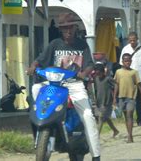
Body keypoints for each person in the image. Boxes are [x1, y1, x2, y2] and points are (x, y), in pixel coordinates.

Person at [26, 12, 100, 161]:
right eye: (64, 28)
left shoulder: (82, 45)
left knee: (88, 117)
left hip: (74, 86)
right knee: (35, 89)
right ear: (60, 29)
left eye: (70, 27)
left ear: (75, 27)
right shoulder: (55, 44)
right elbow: (40, 60)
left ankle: (95, 155)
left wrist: (84, 73)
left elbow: (90, 64)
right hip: (54, 84)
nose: (67, 31)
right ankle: (42, 123)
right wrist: (33, 67)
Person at [120, 32, 141, 126]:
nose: (132, 42)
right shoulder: (125, 49)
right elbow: (122, 64)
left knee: (139, 101)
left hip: (140, 78)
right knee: (128, 100)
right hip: (128, 79)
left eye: (134, 40)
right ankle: (129, 119)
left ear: (137, 39)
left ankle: (140, 120)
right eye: (130, 40)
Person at [113, 53, 141, 143]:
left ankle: (130, 136)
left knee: (129, 114)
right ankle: (129, 133)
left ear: (131, 61)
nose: (127, 62)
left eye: (129, 61)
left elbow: (139, 85)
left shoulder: (134, 72)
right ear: (122, 62)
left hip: (131, 97)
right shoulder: (118, 72)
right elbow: (116, 85)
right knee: (125, 117)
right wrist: (114, 97)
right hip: (121, 97)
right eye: (126, 61)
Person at [93, 63, 119, 138]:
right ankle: (115, 130)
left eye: (100, 73)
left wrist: (114, 97)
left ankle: (97, 136)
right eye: (97, 73)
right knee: (105, 117)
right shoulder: (96, 79)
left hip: (107, 101)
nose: (99, 75)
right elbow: (96, 89)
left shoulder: (108, 79)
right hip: (99, 101)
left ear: (103, 72)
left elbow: (116, 85)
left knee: (101, 118)